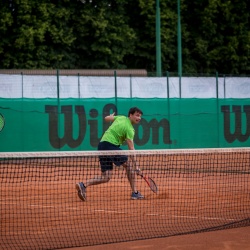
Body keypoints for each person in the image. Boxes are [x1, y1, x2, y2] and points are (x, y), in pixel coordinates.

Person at [75, 107, 144, 201]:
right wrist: (137, 167)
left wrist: (111, 116)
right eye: (137, 115)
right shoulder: (130, 129)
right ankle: (135, 193)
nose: (139, 118)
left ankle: (83, 185)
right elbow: (131, 149)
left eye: (140, 116)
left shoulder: (121, 117)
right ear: (130, 115)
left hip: (102, 145)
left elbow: (106, 118)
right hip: (110, 145)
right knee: (129, 166)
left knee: (106, 177)